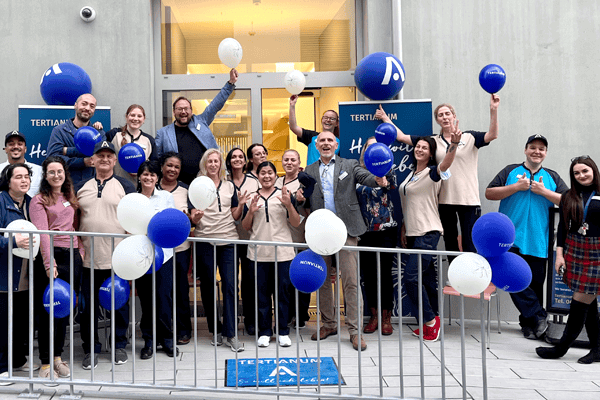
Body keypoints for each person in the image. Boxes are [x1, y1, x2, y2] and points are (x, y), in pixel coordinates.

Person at [376, 94, 500, 255]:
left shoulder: (470, 137)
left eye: (447, 113)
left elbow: (493, 134)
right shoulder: (432, 141)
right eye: (440, 115)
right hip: (444, 200)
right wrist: (385, 118)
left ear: (454, 116)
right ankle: (454, 278)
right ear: (437, 120)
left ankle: (471, 277)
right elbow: (401, 137)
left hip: (469, 200)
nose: (444, 117)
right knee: (450, 242)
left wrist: (493, 110)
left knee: (470, 243)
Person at [302, 131, 386, 351]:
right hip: (320, 231)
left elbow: (365, 177)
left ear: (337, 144)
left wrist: (378, 179)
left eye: (330, 140)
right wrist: (299, 198)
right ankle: (329, 324)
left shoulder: (349, 164)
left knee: (350, 281)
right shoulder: (309, 170)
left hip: (347, 230)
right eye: (322, 141)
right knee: (322, 280)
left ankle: (355, 331)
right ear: (316, 145)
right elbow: (304, 198)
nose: (326, 143)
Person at [486, 135, 568, 340]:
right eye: (533, 148)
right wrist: (516, 187)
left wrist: (545, 192)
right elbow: (489, 193)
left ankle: (530, 325)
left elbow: (568, 202)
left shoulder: (552, 177)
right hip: (510, 240)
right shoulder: (510, 171)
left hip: (539, 240)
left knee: (535, 285)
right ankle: (540, 316)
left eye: (541, 149)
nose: (537, 152)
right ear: (525, 150)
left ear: (546, 153)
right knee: (514, 281)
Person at [75, 140, 135, 369]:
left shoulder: (125, 186)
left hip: (116, 259)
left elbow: (132, 219)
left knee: (119, 305)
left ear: (114, 160)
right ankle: (91, 349)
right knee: (88, 308)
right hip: (88, 259)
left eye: (109, 156)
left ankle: (119, 345)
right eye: (100, 155)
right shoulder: (81, 186)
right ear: (93, 159)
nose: (105, 159)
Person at [536, 156, 600, 363]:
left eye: (585, 171)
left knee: (580, 302)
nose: (581, 175)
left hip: (597, 253)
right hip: (575, 250)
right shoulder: (568, 197)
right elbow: (563, 228)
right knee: (587, 303)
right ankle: (598, 347)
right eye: (577, 173)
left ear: (593, 170)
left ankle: (561, 348)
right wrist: (559, 256)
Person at [399, 129, 459, 342]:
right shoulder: (410, 175)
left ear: (430, 153)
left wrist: (453, 145)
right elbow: (410, 204)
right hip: (414, 234)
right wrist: (405, 227)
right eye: (418, 146)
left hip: (428, 233)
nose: (420, 149)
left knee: (411, 278)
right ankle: (434, 320)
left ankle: (430, 322)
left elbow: (446, 165)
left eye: (425, 147)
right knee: (426, 280)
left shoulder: (433, 172)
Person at [30, 156, 83, 382]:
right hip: (51, 258)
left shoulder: (69, 196)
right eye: (51, 172)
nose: (56, 176)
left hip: (71, 256)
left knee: (63, 310)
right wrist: (49, 263)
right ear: (45, 175)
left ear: (65, 173)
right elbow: (43, 234)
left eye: (59, 171)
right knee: (47, 311)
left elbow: (73, 226)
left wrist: (79, 251)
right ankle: (44, 362)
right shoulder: (38, 200)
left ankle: (58, 357)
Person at [190, 149, 247, 352]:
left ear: (221, 164)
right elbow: (193, 217)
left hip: (228, 240)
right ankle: (216, 330)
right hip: (205, 241)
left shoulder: (229, 186)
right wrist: (194, 218)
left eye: (216, 161)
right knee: (207, 287)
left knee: (231, 286)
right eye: (209, 161)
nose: (213, 164)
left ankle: (230, 334)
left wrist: (240, 205)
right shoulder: (196, 186)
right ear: (204, 164)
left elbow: (234, 215)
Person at [242, 161, 300, 348]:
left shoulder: (284, 195)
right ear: (257, 176)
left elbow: (296, 222)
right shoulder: (252, 197)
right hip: (259, 253)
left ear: (276, 175)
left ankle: (283, 331)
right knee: (261, 294)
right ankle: (265, 331)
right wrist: (250, 211)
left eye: (270, 173)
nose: (266, 176)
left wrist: (289, 205)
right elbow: (245, 226)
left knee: (283, 294)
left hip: (283, 252)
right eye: (263, 173)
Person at [155, 69, 239, 185]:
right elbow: (157, 159)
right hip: (178, 184)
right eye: (180, 109)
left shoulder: (201, 121)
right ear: (174, 112)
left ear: (191, 111)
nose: (183, 111)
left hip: (207, 181)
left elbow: (215, 105)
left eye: (186, 109)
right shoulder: (163, 133)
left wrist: (230, 84)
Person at [135, 160, 178, 359]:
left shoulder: (166, 197)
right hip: (142, 256)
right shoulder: (133, 199)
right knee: (146, 299)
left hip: (165, 256)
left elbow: (170, 223)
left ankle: (168, 340)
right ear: (139, 177)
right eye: (145, 174)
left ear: (157, 177)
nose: (148, 178)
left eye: (152, 175)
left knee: (164, 298)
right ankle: (149, 341)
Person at [356, 137, 398, 335]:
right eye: (368, 146)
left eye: (376, 147)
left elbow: (389, 186)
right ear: (363, 151)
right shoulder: (355, 171)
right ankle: (373, 316)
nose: (372, 150)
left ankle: (386, 318)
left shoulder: (388, 170)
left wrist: (382, 180)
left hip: (385, 231)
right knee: (369, 276)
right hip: (363, 232)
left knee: (385, 275)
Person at [0, 164, 34, 383]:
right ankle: (2, 365)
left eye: (27, 177)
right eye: (18, 177)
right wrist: (11, 241)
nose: (24, 180)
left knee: (20, 320)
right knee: (3, 322)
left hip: (24, 274)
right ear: (8, 180)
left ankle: (17, 360)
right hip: (3, 273)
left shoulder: (31, 203)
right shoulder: (0, 201)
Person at [275, 149, 315, 329]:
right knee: (285, 281)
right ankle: (288, 313)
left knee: (301, 277)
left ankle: (300, 316)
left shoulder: (303, 183)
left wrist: (301, 201)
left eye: (293, 160)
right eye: (286, 159)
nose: (289, 162)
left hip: (300, 237)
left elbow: (309, 210)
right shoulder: (276, 182)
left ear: (299, 164)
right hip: (282, 238)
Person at [158, 152, 192, 345]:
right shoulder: (151, 187)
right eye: (169, 165)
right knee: (163, 292)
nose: (172, 170)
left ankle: (183, 330)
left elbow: (192, 218)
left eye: (176, 167)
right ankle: (164, 331)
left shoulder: (186, 190)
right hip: (158, 251)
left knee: (180, 289)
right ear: (162, 166)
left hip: (180, 248)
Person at [225, 147, 259, 335]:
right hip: (229, 237)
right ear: (229, 161)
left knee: (249, 281)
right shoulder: (224, 183)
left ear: (245, 161)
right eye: (233, 157)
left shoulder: (254, 182)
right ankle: (232, 319)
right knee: (231, 282)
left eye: (240, 157)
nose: (237, 159)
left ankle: (250, 319)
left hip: (250, 238)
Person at [47, 93, 106, 186]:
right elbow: (52, 158)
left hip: (92, 188)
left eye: (92, 106)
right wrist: (82, 162)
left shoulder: (99, 133)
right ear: (75, 105)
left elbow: (102, 156)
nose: (87, 108)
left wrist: (67, 150)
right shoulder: (60, 131)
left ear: (94, 110)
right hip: (66, 188)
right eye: (84, 103)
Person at [107, 104, 157, 185]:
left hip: (140, 187)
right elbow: (100, 150)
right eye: (132, 115)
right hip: (117, 185)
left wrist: (142, 170)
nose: (135, 119)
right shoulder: (114, 134)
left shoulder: (149, 140)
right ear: (126, 117)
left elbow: (154, 165)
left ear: (144, 119)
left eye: (139, 116)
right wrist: (98, 128)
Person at [288, 95, 340, 166]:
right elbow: (293, 127)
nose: (328, 120)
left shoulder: (340, 141)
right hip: (311, 176)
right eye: (325, 117)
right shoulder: (311, 136)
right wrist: (292, 106)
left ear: (337, 123)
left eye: (332, 118)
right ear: (322, 120)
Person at [0, 131, 42, 197]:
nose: (16, 146)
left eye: (20, 144)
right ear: (6, 149)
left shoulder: (39, 171)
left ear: (25, 149)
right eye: (11, 144)